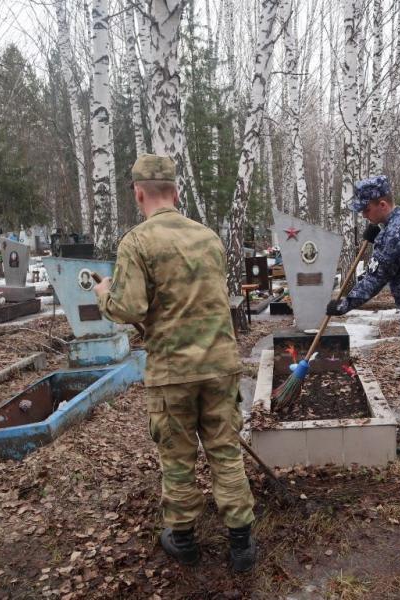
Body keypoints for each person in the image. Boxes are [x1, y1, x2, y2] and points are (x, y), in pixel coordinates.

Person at [93, 154, 257, 571]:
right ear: (177, 191)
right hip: (220, 363)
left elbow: (128, 307)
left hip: (173, 372)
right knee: (225, 452)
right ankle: (242, 545)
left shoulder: (137, 242)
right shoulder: (209, 238)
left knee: (177, 457)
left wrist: (103, 293)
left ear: (138, 192)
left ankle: (183, 540)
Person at [326, 175, 400, 457]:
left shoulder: (391, 238)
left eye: (367, 210)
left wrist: (344, 304)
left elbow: (373, 280)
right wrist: (380, 231)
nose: (364, 215)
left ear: (383, 203)